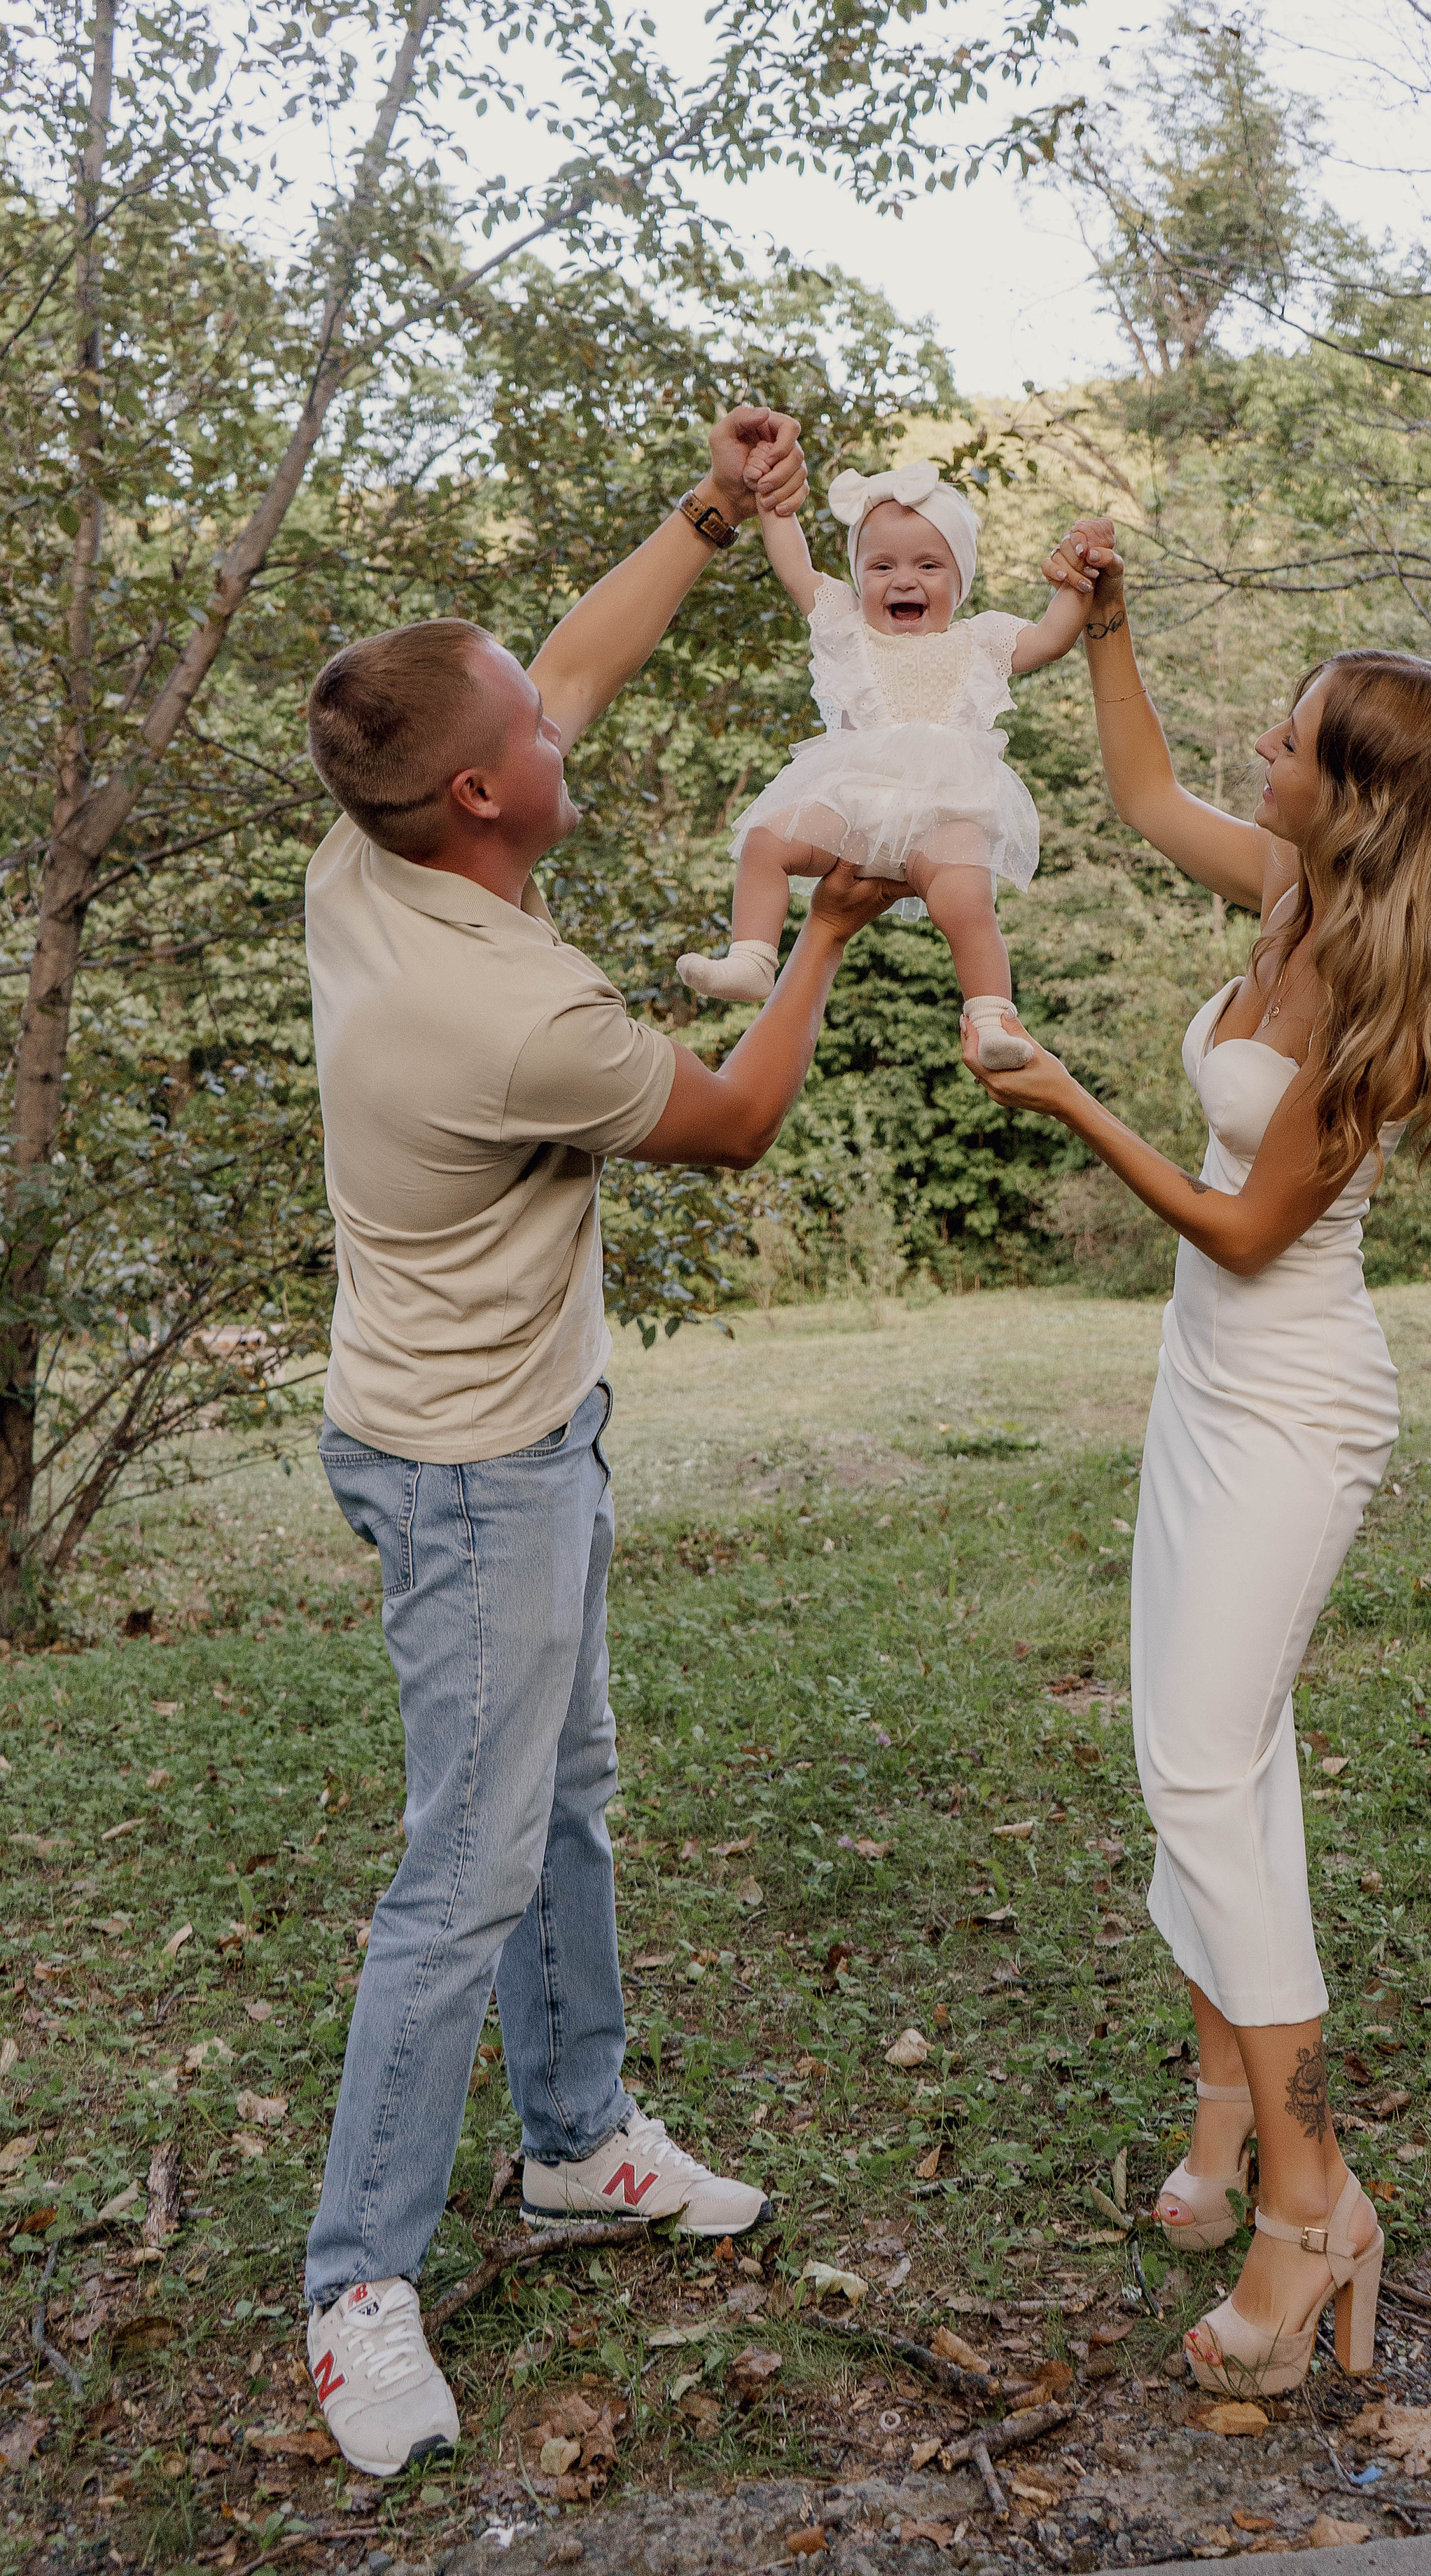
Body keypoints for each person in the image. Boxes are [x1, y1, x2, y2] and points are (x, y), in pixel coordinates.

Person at [298, 406, 898, 2478]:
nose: (562, 720)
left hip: (496, 1431)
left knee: (562, 1798)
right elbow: (732, 1122)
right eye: (528, 730)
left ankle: (574, 2138)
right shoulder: (504, 1016)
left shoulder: (367, 848)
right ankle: (354, 2283)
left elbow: (566, 659)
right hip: (473, 1473)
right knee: (462, 1868)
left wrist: (711, 514)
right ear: (481, 794)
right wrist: (827, 932)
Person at [964, 520, 1431, 2394]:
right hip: (1204, 1386)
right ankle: (1227, 2116)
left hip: (1293, 1406)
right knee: (1209, 1763)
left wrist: (1065, 1092)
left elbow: (1244, 1229)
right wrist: (1108, 626)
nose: (1257, 750)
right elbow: (1134, 792)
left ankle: (1313, 2197)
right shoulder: (1286, 890)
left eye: (1286, 738)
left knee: (1202, 1772)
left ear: (1353, 797)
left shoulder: (1370, 1003)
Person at [675, 457, 1092, 1071]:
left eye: (928, 566)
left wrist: (1081, 574)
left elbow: (1053, 636)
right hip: (852, 806)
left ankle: (992, 1018)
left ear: (960, 578)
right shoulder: (847, 627)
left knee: (968, 902)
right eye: (882, 566)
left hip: (944, 811)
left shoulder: (979, 641)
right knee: (766, 841)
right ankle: (752, 958)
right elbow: (795, 567)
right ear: (859, 576)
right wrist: (772, 502)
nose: (904, 580)